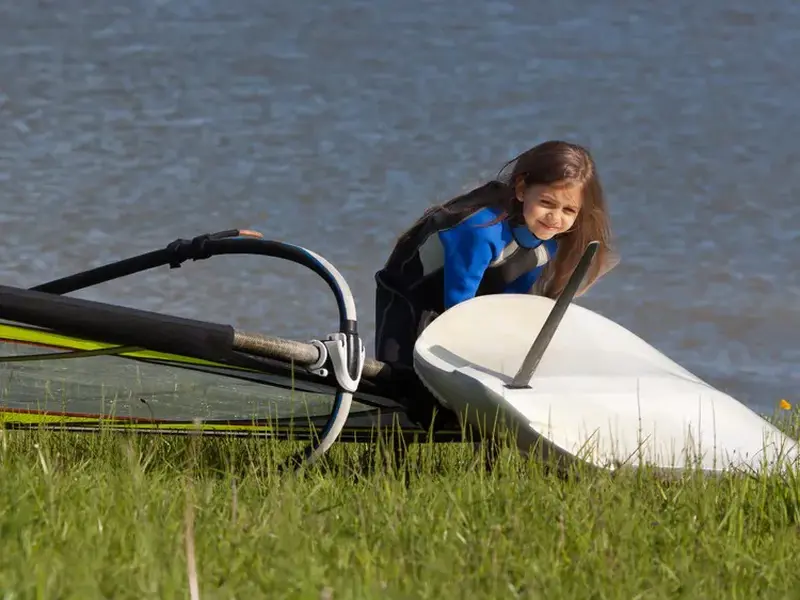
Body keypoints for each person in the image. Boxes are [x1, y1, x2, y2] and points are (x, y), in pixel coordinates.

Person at [373, 140, 618, 427]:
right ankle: (388, 451)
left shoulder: (546, 246)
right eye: (547, 203)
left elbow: (509, 303)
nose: (555, 218)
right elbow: (458, 304)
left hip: (471, 291)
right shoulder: (479, 231)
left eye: (569, 210)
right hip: (409, 295)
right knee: (404, 389)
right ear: (522, 189)